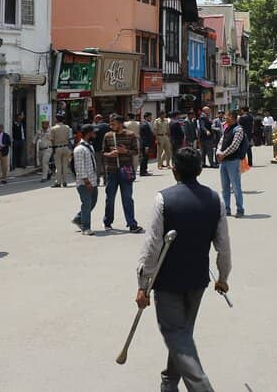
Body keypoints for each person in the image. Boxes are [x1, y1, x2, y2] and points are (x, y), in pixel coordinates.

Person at [136, 146, 232, 391]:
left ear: (174, 170)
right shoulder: (215, 199)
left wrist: (143, 285)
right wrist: (223, 276)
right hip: (197, 280)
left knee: (178, 336)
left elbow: (152, 247)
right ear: (200, 170)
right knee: (182, 335)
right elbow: (223, 246)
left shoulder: (163, 199)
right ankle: (169, 382)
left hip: (168, 282)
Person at [102, 115, 144, 233]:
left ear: (120, 124)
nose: (111, 126)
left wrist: (125, 151)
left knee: (127, 198)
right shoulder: (108, 136)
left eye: (113, 124)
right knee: (110, 198)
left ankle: (132, 224)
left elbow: (136, 152)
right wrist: (109, 154)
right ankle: (107, 222)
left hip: (126, 171)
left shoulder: (130, 135)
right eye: (110, 124)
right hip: (112, 171)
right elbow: (103, 152)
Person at [216, 111, 247, 217]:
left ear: (232, 118)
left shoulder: (238, 129)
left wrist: (223, 154)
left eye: (227, 116)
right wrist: (219, 152)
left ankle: (240, 209)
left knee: (236, 186)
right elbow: (221, 141)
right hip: (223, 161)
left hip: (233, 161)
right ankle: (226, 209)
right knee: (225, 187)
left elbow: (235, 145)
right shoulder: (226, 128)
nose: (225, 118)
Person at [72, 124, 100, 235]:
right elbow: (79, 167)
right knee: (87, 204)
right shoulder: (79, 149)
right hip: (85, 183)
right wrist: (86, 181)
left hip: (92, 180)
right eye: (93, 132)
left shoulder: (89, 146)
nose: (95, 134)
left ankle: (78, 218)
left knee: (92, 202)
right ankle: (86, 227)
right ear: (88, 133)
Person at [35, 119, 54, 184]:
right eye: (43, 124)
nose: (44, 125)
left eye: (46, 124)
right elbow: (34, 139)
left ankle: (44, 177)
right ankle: (49, 172)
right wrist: (31, 148)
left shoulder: (51, 131)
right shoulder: (39, 131)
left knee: (44, 162)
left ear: (48, 125)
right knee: (41, 163)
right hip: (40, 150)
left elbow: (53, 140)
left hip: (48, 149)